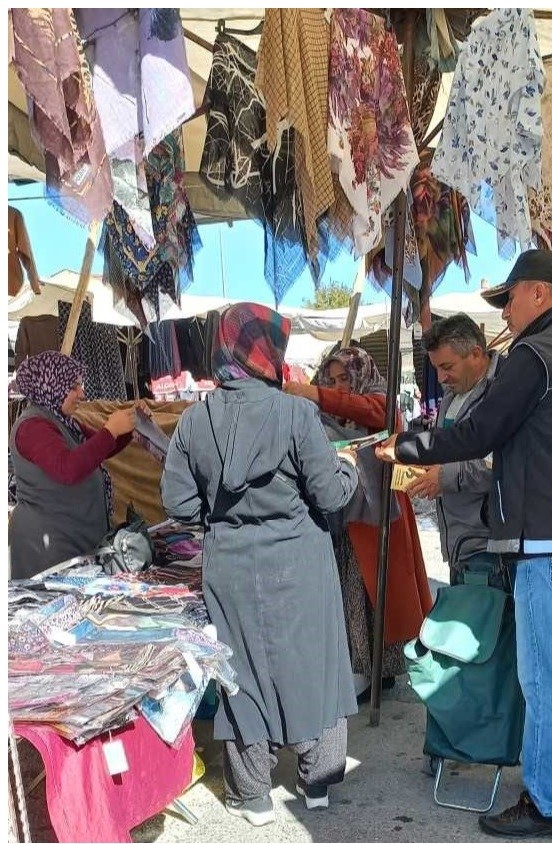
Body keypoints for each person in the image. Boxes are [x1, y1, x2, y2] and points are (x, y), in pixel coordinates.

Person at [376, 249, 552, 838]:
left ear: (537, 294)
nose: (507, 315)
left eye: (510, 300)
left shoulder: (535, 355)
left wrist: (408, 447)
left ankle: (546, 805)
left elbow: (482, 432)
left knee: (545, 678)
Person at [161, 303, 359, 827]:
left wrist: (219, 519)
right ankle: (317, 782)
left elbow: (179, 505)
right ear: (268, 349)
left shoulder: (194, 418)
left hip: (229, 564)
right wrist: (350, 469)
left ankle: (252, 797)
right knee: (312, 665)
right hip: (299, 560)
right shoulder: (296, 413)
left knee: (240, 672)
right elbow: (330, 494)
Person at [284, 347, 433, 703]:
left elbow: (383, 415)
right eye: (331, 380)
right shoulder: (319, 416)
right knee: (351, 600)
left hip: (379, 520)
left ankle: (383, 671)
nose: (339, 387)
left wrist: (317, 394)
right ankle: (360, 671)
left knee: (379, 597)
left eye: (344, 379)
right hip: (341, 521)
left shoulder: (378, 403)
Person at [9, 351, 139, 579]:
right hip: (48, 551)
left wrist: (129, 427)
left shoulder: (65, 422)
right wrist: (111, 430)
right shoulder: (32, 427)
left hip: (73, 543)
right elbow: (67, 469)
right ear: (51, 385)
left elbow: (98, 450)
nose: (82, 393)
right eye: (74, 386)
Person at [404, 314, 503, 584]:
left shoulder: (504, 391)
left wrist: (445, 477)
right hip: (459, 543)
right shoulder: (453, 395)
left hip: (490, 546)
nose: (441, 377)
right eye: (436, 368)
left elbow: (502, 462)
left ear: (475, 353)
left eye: (447, 366)